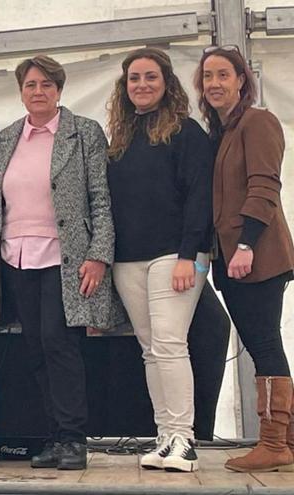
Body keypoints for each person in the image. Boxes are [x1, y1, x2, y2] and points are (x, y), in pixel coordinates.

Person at [0, 55, 114, 471]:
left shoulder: (84, 133)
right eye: (30, 85)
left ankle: (74, 439)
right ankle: (54, 437)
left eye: (45, 84)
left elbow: (100, 196)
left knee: (60, 345)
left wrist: (98, 255)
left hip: (65, 256)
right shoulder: (7, 137)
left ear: (59, 89)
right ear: (21, 91)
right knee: (35, 348)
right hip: (15, 256)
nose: (37, 92)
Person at [106, 48, 212, 472]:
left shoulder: (188, 133)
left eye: (151, 77)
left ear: (166, 83)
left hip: (178, 257)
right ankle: (165, 435)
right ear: (125, 85)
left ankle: (185, 439)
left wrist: (190, 255)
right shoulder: (121, 139)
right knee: (151, 350)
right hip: (128, 261)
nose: (142, 85)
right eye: (134, 78)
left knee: (170, 345)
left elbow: (199, 199)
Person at [196, 45, 294, 473]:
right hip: (232, 259)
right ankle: (287, 440)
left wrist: (247, 245)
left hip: (257, 256)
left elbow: (264, 186)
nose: (214, 83)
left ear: (241, 80)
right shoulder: (222, 132)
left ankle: (272, 443)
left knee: (264, 344)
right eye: (207, 77)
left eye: (223, 75)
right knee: (264, 343)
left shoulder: (258, 121)